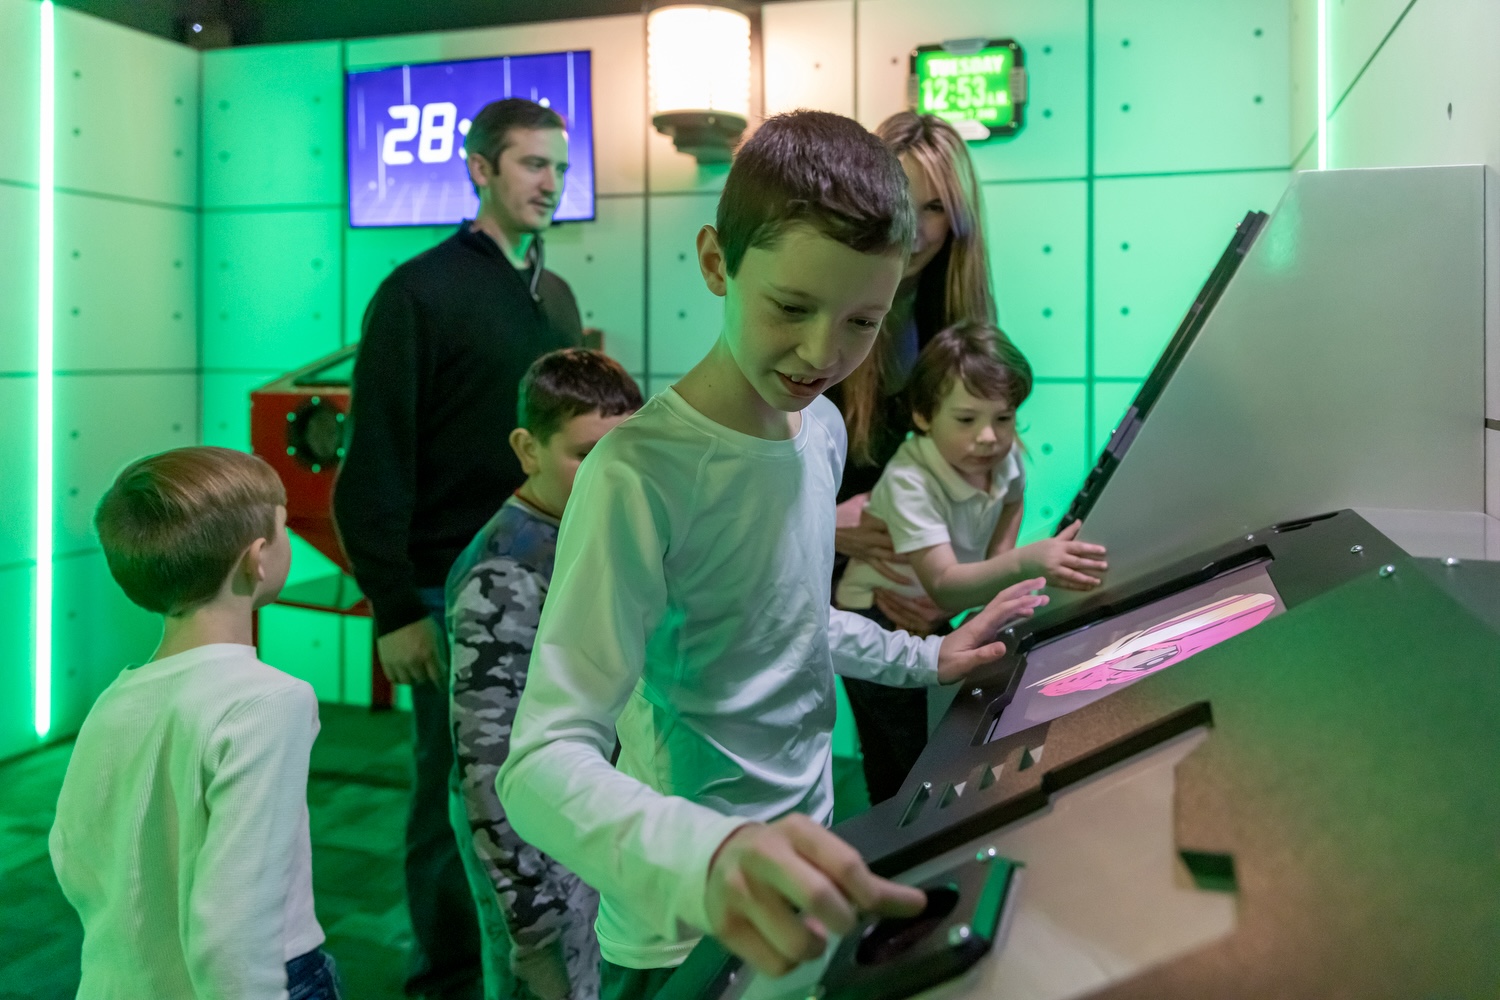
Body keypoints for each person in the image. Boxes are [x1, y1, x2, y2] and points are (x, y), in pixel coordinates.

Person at [496, 110, 1050, 1000]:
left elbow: (790, 621)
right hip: (685, 922)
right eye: (791, 307)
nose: (821, 353)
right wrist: (711, 857)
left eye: (862, 321)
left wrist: (926, 658)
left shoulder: (820, 428)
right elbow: (541, 760)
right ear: (718, 263)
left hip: (807, 870)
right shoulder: (637, 471)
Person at [333, 98, 583, 1000]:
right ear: (481, 169)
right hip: (448, 592)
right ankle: (442, 983)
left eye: (560, 168)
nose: (551, 184)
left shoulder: (555, 295)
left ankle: (541, 961)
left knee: (547, 782)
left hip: (554, 580)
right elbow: (374, 461)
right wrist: (395, 607)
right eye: (532, 165)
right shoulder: (417, 292)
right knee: (454, 801)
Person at [50, 446, 340, 999]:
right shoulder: (269, 702)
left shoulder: (116, 698)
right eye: (282, 528)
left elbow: (73, 853)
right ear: (257, 558)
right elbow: (236, 924)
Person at [447, 349, 643, 1000]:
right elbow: (486, 765)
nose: (608, 473)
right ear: (527, 449)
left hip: (583, 821)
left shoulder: (582, 528)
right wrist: (531, 922)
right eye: (585, 455)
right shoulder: (502, 574)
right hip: (535, 851)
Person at [827, 111, 1000, 806]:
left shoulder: (955, 319)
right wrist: (822, 527)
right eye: (905, 202)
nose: (921, 230)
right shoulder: (825, 314)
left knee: (937, 773)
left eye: (936, 208)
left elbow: (991, 473)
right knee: (901, 778)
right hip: (831, 579)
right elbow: (751, 477)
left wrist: (949, 582)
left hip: (922, 583)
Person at [836, 322, 1108, 618]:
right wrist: (1021, 564)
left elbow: (1013, 500)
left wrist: (998, 570)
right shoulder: (910, 481)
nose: (989, 437)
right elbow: (942, 584)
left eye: (1003, 418)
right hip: (877, 609)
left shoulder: (1006, 458)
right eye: (966, 420)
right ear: (924, 416)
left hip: (944, 602)